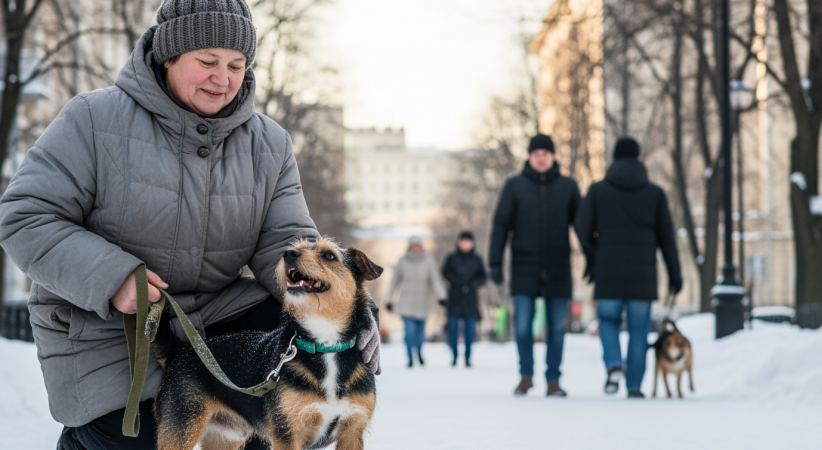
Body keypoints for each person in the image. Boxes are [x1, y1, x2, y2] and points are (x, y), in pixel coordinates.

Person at [0, 1, 380, 449]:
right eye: (207, 62)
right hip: (109, 325)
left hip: (219, 314)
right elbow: (25, 215)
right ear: (168, 56)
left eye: (237, 65)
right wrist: (111, 276)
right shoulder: (93, 119)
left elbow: (284, 245)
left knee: (275, 412)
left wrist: (343, 308)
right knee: (137, 439)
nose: (223, 79)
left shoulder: (269, 143)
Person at [575, 137, 682, 399]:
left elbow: (581, 226)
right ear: (639, 160)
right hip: (642, 277)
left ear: (612, 160)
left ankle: (614, 365)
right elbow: (667, 238)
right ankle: (634, 385)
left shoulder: (598, 190)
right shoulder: (654, 193)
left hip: (608, 273)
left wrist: (593, 253)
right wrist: (674, 274)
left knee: (608, 322)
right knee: (638, 329)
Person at [489, 133, 581, 397]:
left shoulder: (568, 186)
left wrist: (595, 259)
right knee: (522, 326)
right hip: (524, 267)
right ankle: (526, 375)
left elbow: (583, 225)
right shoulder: (515, 186)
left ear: (553, 157)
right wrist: (495, 261)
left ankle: (554, 380)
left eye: (546, 154)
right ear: (530, 157)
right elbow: (500, 225)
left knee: (557, 328)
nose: (541, 158)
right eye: (536, 154)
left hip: (558, 267)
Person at [385, 236, 447, 368]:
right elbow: (394, 282)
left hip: (422, 302)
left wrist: (441, 296)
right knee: (409, 331)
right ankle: (409, 357)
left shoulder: (429, 261)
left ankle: (418, 351)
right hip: (406, 302)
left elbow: (435, 281)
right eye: (413, 246)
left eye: (418, 246)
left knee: (420, 333)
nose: (416, 248)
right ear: (409, 247)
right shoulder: (402, 262)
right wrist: (389, 300)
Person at [441, 230, 487, 367]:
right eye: (463, 241)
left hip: (471, 301)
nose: (465, 244)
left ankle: (468, 356)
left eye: (468, 241)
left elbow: (483, 277)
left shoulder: (477, 259)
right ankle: (454, 354)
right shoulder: (452, 258)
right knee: (453, 330)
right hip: (455, 299)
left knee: (469, 331)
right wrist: (454, 281)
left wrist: (473, 284)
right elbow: (444, 272)